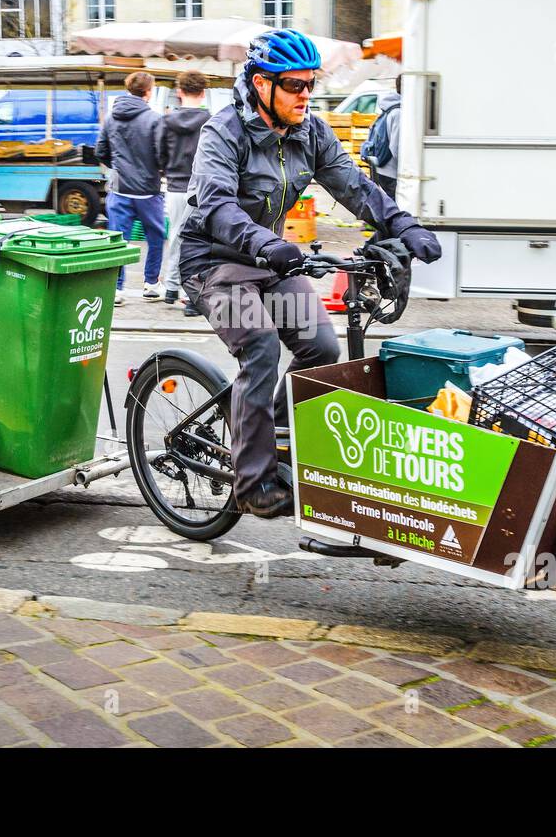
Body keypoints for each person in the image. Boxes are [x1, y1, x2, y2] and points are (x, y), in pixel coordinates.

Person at [178, 29, 442, 518]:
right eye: (295, 86)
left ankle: (273, 439)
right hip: (213, 262)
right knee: (259, 347)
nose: (305, 96)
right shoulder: (223, 134)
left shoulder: (310, 132)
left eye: (310, 86)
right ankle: (252, 482)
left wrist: (403, 225)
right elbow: (215, 206)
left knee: (321, 347)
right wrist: (268, 243)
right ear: (261, 85)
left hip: (269, 258)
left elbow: (355, 186)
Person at [96, 71, 165, 306]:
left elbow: (100, 151)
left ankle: (116, 289)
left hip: (119, 189)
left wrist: (117, 168)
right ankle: (151, 285)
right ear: (148, 91)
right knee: (156, 237)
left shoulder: (111, 118)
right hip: (148, 191)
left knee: (118, 240)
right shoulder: (154, 119)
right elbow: (162, 155)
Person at [158, 70, 212, 316]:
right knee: (200, 243)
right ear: (203, 92)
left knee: (176, 236)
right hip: (202, 188)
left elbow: (159, 153)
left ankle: (170, 288)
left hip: (175, 187)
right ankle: (192, 295)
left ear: (179, 92)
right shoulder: (211, 121)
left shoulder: (166, 121)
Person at [361, 76, 402, 200]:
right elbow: (396, 147)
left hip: (382, 168)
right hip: (391, 171)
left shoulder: (390, 107)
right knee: (397, 210)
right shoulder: (399, 112)